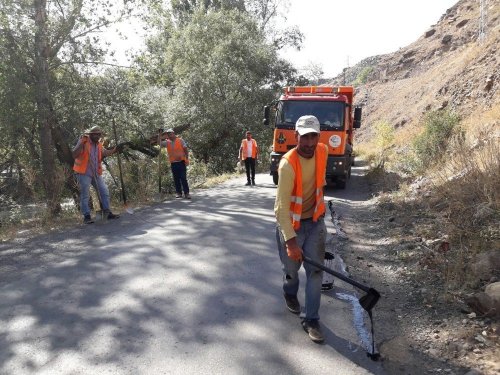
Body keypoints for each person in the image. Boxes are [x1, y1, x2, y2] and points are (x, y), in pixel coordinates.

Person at [274, 115, 328, 343]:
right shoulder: (287, 164)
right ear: (296, 136)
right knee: (292, 271)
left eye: (312, 137)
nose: (308, 143)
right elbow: (281, 208)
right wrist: (291, 241)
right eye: (303, 137)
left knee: (315, 272)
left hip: (315, 222)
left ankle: (311, 319)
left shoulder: (323, 151)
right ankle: (289, 292)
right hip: (292, 226)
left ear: (318, 136)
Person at [72, 126, 121, 224]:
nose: (98, 136)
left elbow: (105, 153)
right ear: (91, 135)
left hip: (95, 173)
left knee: (104, 191)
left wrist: (115, 150)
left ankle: (107, 212)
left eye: (99, 134)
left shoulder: (98, 144)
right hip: (83, 173)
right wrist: (81, 143)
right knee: (85, 195)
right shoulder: (84, 141)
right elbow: (74, 154)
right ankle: (86, 217)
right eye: (96, 134)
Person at [164, 129, 191, 199]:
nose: (169, 135)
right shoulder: (167, 142)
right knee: (176, 179)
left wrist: (187, 159)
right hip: (173, 163)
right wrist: (159, 135)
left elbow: (185, 149)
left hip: (181, 162)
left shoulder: (180, 140)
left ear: (173, 133)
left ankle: (187, 193)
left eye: (170, 134)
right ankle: (179, 193)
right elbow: (159, 143)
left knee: (183, 178)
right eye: (168, 134)